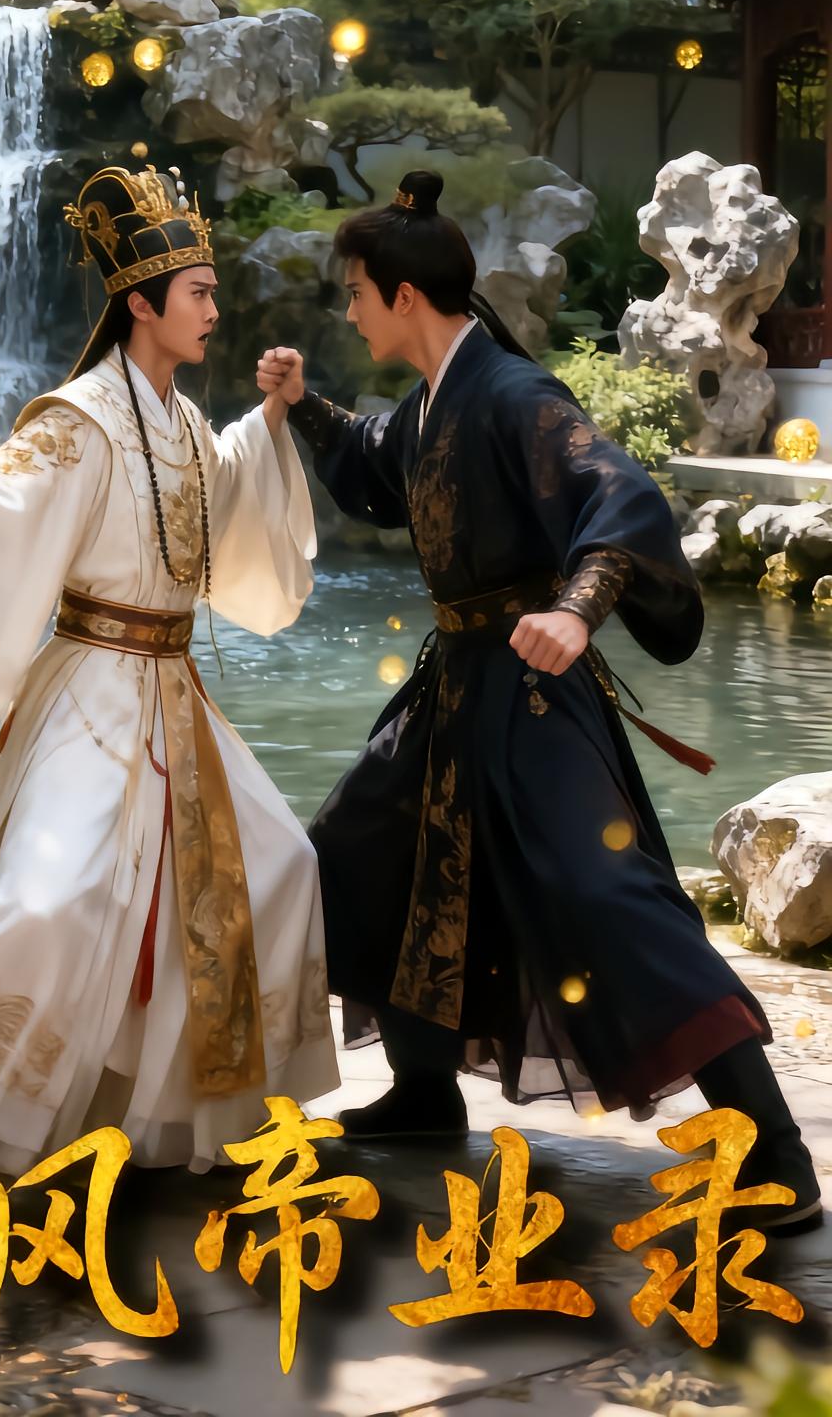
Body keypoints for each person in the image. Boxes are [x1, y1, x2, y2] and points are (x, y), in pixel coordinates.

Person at [254, 168, 822, 1238]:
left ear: (405, 296)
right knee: (359, 853)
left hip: (531, 692)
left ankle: (776, 1156)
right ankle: (424, 1092)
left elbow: (620, 494)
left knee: (609, 898)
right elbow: (382, 462)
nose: (350, 310)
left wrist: (575, 609)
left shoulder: (514, 394)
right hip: (457, 688)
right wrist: (303, 405)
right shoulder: (439, 396)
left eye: (357, 292)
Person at [0, 163, 339, 1191]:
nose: (214, 311)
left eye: (214, 293)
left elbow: (219, 493)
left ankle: (154, 1119)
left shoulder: (182, 420)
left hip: (172, 694)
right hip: (92, 686)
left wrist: (271, 422)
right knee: (50, 903)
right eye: (198, 294)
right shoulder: (78, 420)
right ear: (142, 303)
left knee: (280, 868)